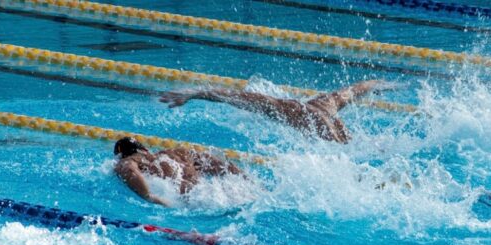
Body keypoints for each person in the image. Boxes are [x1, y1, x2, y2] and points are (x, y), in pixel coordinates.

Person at [159, 79, 397, 144]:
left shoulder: (292, 110)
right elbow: (358, 88)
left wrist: (195, 93)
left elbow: (237, 98)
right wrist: (382, 84)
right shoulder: (328, 103)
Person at [113, 137, 242, 207]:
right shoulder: (178, 152)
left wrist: (149, 196)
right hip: (215, 194)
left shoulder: (131, 159)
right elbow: (216, 163)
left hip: (190, 203)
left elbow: (129, 170)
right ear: (145, 149)